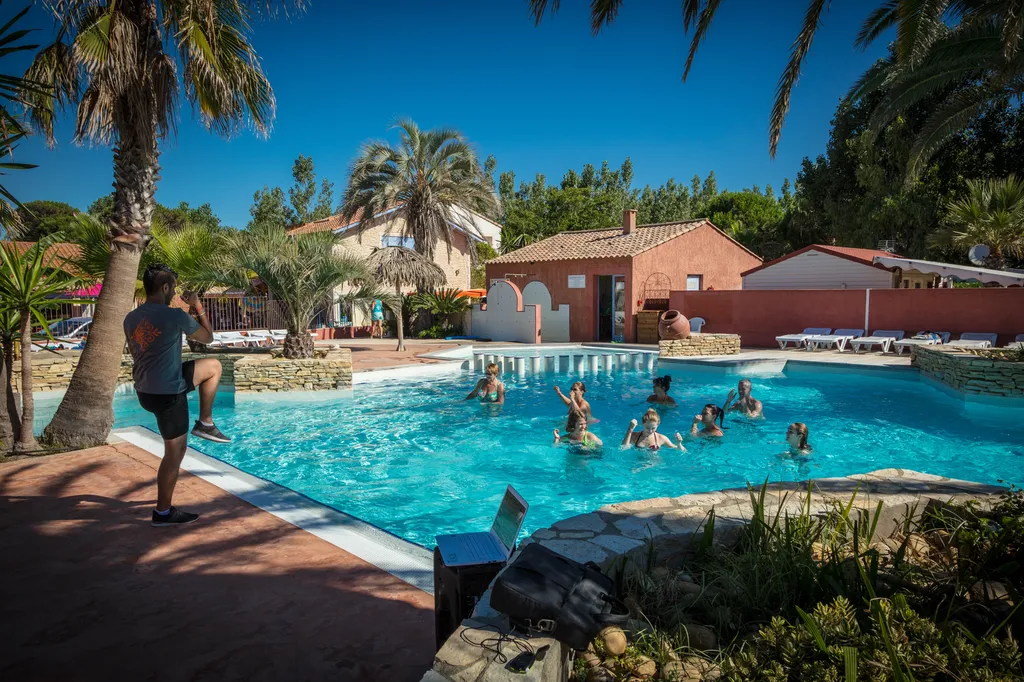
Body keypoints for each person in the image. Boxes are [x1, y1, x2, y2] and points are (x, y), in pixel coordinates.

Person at [124, 264, 231, 527]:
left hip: (145, 389)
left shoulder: (131, 317)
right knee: (174, 453)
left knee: (212, 367)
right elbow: (208, 338)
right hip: (168, 393)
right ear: (164, 287)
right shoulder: (174, 315)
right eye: (172, 287)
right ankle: (163, 513)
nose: (174, 293)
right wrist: (197, 305)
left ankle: (205, 422)